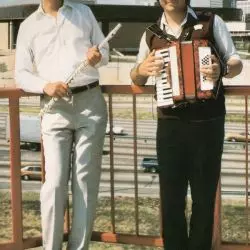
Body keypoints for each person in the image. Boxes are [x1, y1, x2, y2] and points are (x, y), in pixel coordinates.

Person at [131, 0, 243, 249]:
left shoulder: (211, 23)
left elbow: (236, 62)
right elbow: (135, 78)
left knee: (204, 199)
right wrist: (142, 68)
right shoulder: (151, 33)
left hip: (208, 122)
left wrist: (221, 69)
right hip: (170, 125)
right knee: (171, 199)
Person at [15, 0, 109, 249]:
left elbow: (105, 51)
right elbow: (21, 73)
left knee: (85, 182)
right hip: (54, 106)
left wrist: (97, 56)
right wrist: (44, 86)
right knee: (55, 182)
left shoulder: (84, 12)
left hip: (90, 102)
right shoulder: (28, 26)